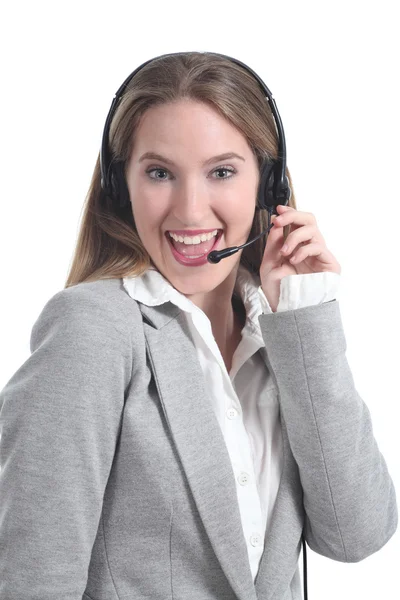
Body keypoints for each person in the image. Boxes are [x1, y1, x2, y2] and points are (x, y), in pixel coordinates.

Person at [0, 51, 397, 600]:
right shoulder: (92, 329)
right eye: (160, 173)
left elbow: (356, 535)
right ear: (122, 185)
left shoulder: (282, 336)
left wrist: (305, 320)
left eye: (222, 172)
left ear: (269, 185)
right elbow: (32, 579)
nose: (190, 211)